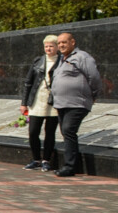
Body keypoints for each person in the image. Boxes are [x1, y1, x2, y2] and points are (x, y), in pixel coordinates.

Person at [50, 32, 103, 177]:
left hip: (77, 103)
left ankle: (69, 167)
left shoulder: (82, 57)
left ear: (72, 42)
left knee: (68, 130)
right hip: (61, 103)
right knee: (67, 132)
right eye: (59, 43)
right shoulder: (62, 59)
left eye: (64, 42)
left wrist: (94, 95)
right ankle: (74, 165)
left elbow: (94, 77)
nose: (61, 45)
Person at [19, 34, 61, 172]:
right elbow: (28, 82)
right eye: (46, 46)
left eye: (51, 46)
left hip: (53, 102)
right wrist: (24, 103)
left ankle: (46, 160)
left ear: (57, 47)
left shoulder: (62, 61)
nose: (48, 49)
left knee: (50, 132)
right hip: (37, 99)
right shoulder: (38, 61)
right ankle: (36, 159)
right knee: (33, 131)